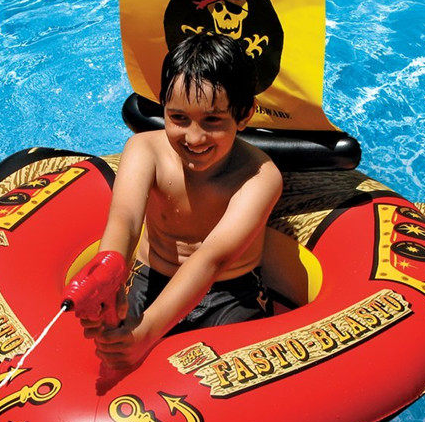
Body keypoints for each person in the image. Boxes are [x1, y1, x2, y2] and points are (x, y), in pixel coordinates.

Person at [77, 32, 283, 369]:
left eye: (213, 120)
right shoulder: (144, 149)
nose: (194, 137)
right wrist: (109, 274)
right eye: (178, 118)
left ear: (245, 114)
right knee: (106, 359)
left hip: (229, 293)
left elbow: (211, 259)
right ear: (163, 108)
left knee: (228, 378)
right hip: (150, 278)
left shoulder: (259, 176)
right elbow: (125, 218)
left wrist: (146, 333)